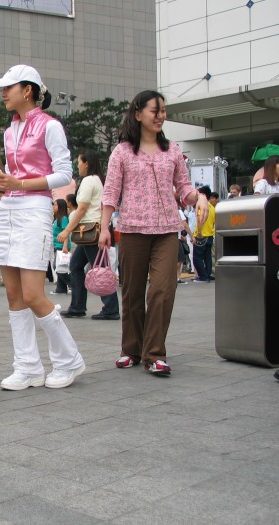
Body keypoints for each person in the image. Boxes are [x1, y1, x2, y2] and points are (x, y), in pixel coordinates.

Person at [0, 64, 86, 391]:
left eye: (8, 88)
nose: (3, 93)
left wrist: (20, 183)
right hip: (11, 207)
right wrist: (1, 186)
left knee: (32, 293)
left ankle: (69, 360)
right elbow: (13, 177)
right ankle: (27, 367)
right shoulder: (9, 130)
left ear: (27, 90)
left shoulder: (50, 126)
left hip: (35, 208)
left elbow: (64, 174)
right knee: (13, 293)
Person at [99, 89, 209, 375]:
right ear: (138, 114)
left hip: (166, 230)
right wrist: (104, 227)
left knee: (162, 290)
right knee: (133, 293)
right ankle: (131, 349)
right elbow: (111, 192)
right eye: (154, 110)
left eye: (163, 111)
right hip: (132, 230)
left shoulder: (172, 150)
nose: (160, 116)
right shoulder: (122, 151)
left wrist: (200, 198)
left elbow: (184, 188)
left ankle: (155, 354)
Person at [58, 150, 121, 321]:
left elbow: (82, 208)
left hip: (90, 231)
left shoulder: (88, 181)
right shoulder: (99, 180)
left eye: (79, 161)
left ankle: (110, 308)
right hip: (93, 230)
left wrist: (66, 230)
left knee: (100, 269)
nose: (77, 165)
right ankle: (78, 306)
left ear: (86, 163)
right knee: (77, 266)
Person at [192, 186, 215, 283]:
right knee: (207, 257)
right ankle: (208, 274)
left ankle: (203, 276)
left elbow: (200, 219)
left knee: (197, 257)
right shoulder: (212, 207)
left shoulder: (201, 205)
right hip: (210, 235)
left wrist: (199, 232)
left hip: (202, 235)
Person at [51, 198, 71, 295]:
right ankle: (61, 288)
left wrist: (65, 246)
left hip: (62, 245)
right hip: (56, 245)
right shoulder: (56, 218)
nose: (53, 207)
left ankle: (71, 284)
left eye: (55, 205)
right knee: (60, 266)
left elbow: (65, 232)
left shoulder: (63, 218)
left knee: (58, 266)